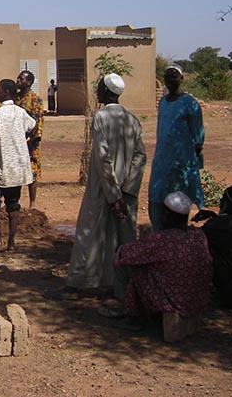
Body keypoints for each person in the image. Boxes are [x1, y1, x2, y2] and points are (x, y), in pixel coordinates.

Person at [63, 73, 147, 299]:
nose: (97, 91)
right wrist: (128, 188)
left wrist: (113, 195)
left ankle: (83, 281)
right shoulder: (131, 119)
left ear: (108, 92)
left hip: (103, 187)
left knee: (90, 233)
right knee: (122, 235)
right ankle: (120, 284)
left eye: (100, 87)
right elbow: (140, 156)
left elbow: (103, 156)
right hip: (126, 189)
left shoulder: (100, 117)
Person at [107, 192, 212, 327]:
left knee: (126, 262)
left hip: (173, 301)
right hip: (196, 300)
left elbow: (126, 254)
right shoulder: (197, 235)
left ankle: (132, 316)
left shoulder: (163, 240)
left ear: (166, 215)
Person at [147, 63, 205, 231]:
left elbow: (198, 137)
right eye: (167, 76)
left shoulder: (190, 104)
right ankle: (160, 234)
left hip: (181, 160)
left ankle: (177, 234)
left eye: (174, 76)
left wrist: (190, 161)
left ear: (182, 78)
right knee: (157, 196)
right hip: (161, 159)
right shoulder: (163, 102)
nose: (170, 80)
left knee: (178, 199)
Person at [0, 79, 37, 253]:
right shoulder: (20, 113)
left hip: (1, 166)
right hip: (18, 167)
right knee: (13, 204)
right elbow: (33, 126)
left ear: (5, 92)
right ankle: (12, 242)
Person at [15, 70, 44, 209]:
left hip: (30, 140)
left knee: (32, 170)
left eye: (21, 79)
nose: (18, 81)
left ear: (29, 82)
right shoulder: (16, 98)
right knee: (17, 169)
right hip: (16, 139)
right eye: (18, 78)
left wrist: (31, 138)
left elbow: (36, 120)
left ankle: (32, 203)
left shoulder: (35, 99)